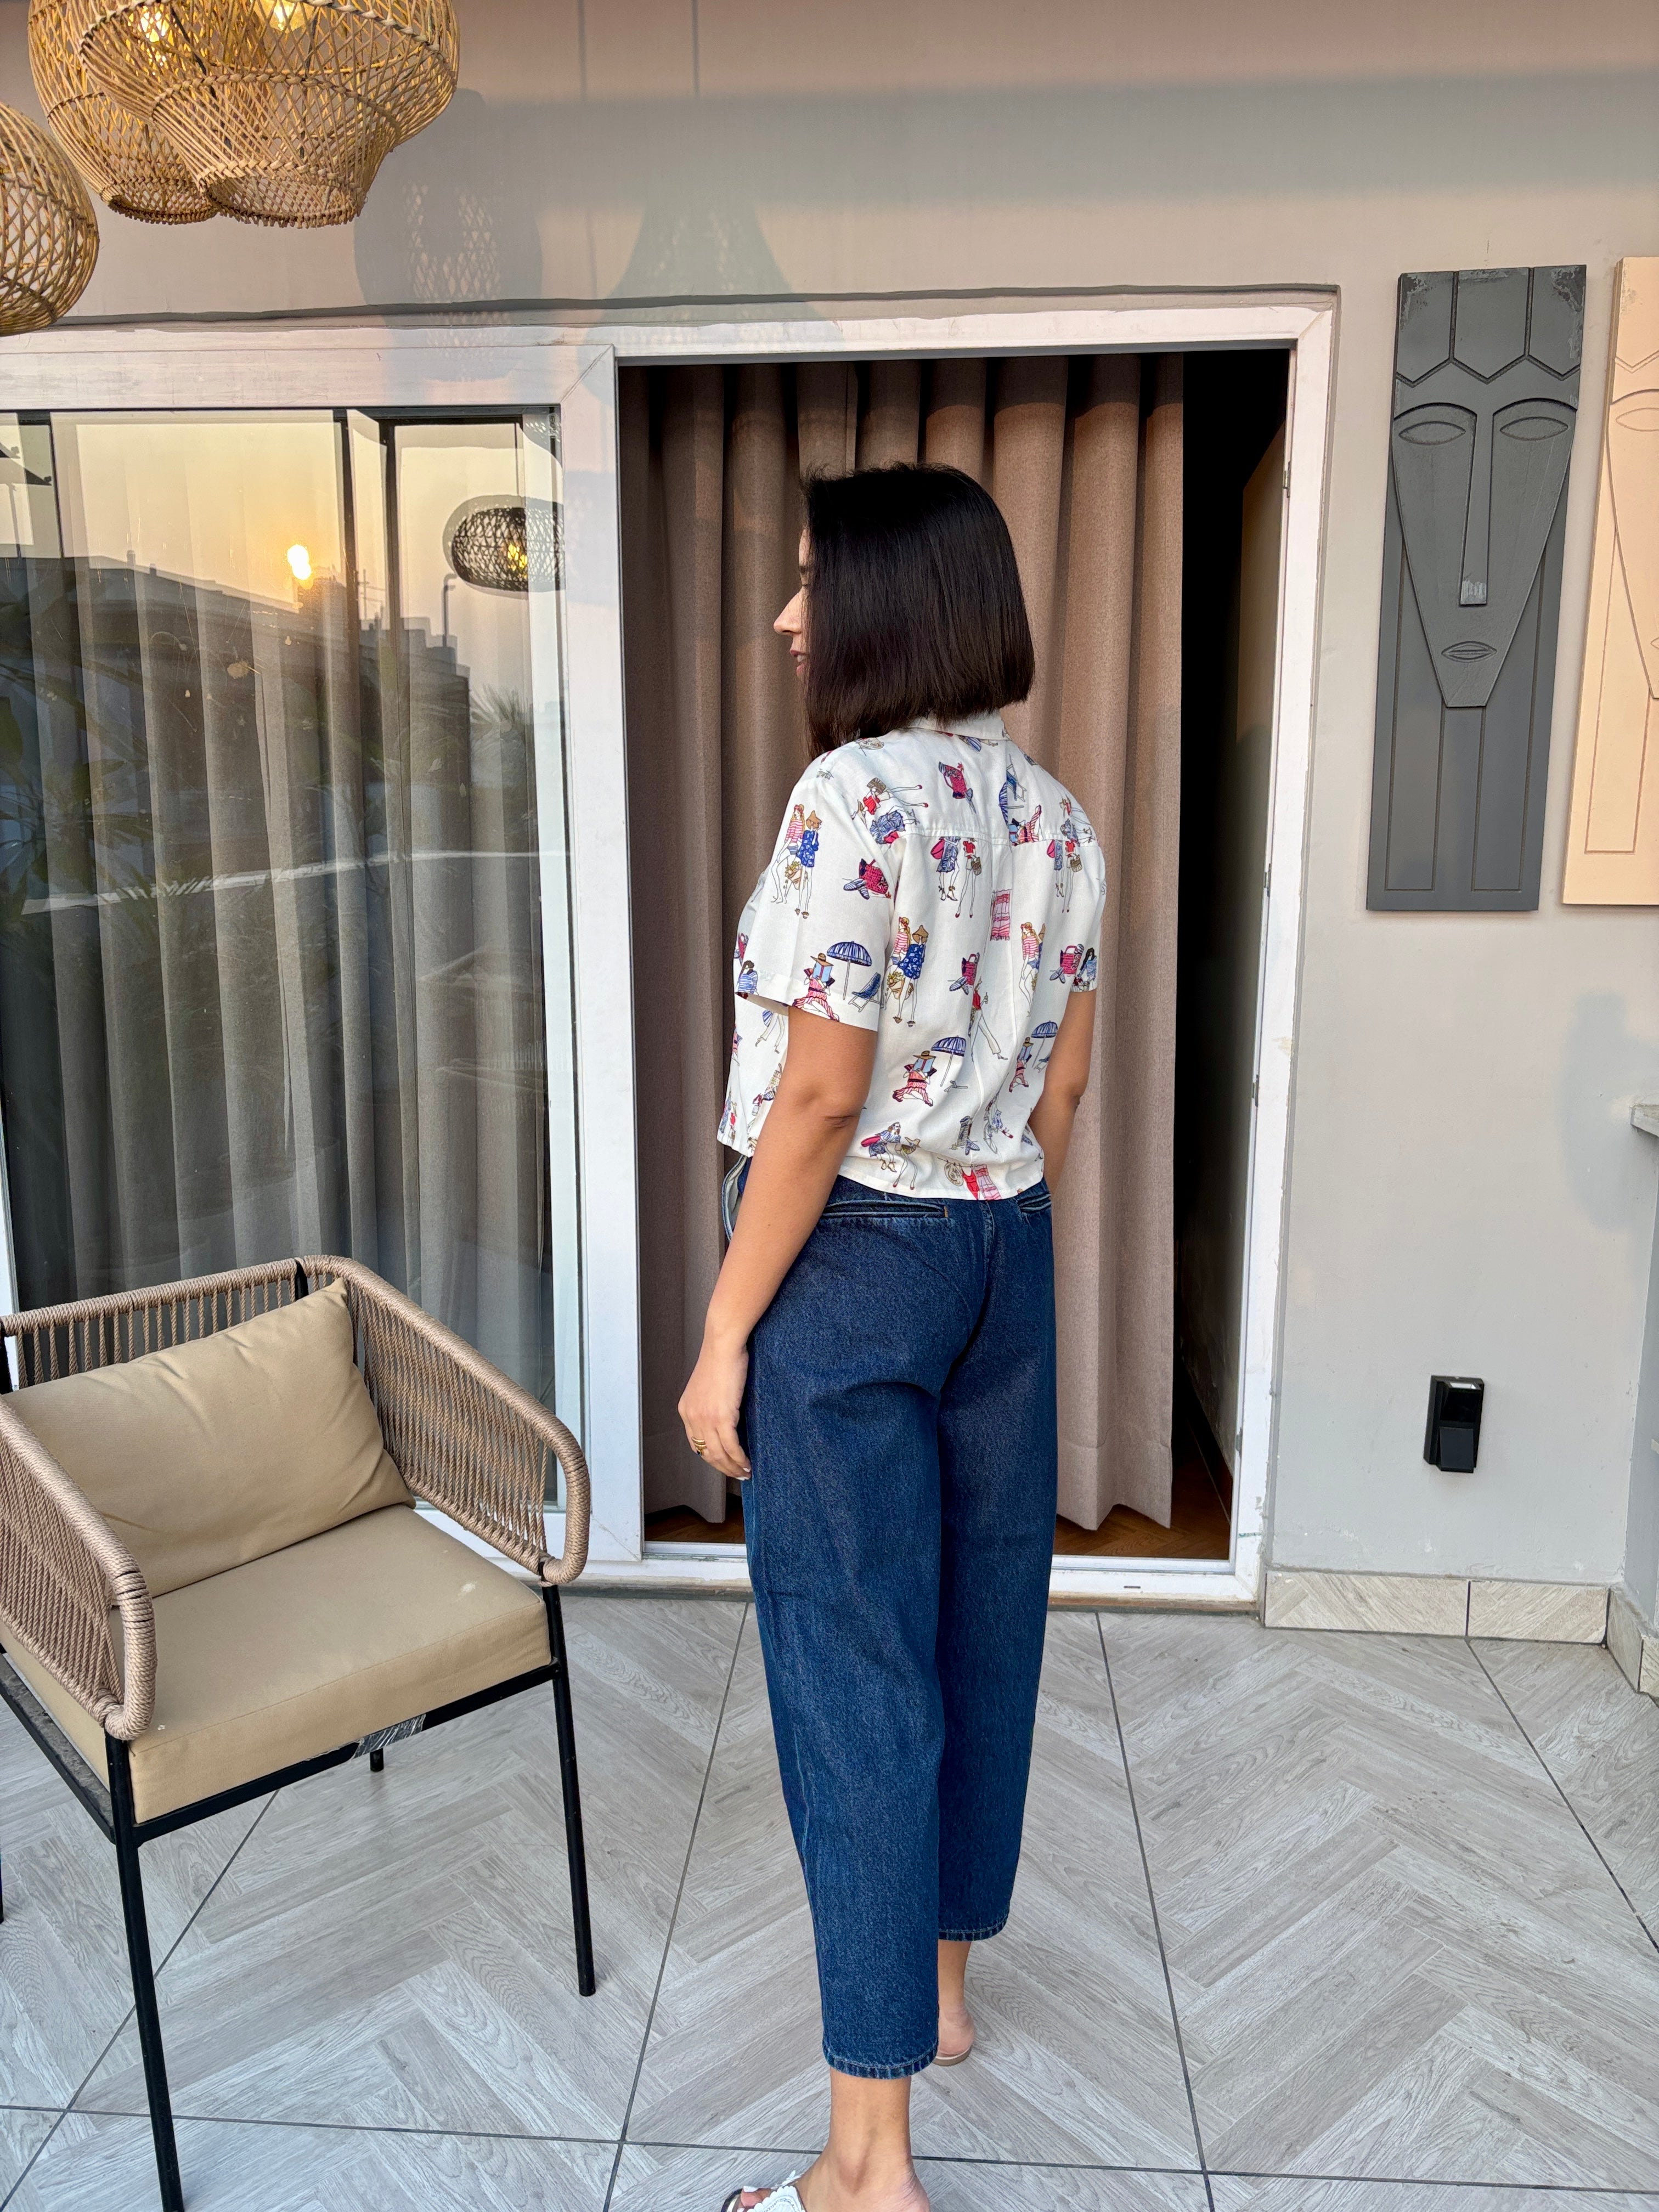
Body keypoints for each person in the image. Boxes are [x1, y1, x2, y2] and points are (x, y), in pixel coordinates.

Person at [679, 465, 1108, 2212]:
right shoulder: (1060, 818)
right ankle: (936, 1996)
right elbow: (1063, 1085)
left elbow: (817, 1098)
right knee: (978, 1628)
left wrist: (726, 1332)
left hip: (853, 1256)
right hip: (1007, 1242)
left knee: (855, 1678)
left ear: (890, 604)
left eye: (812, 583)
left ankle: (866, 2173)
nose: (790, 618)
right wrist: (987, 1203)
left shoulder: (849, 795)